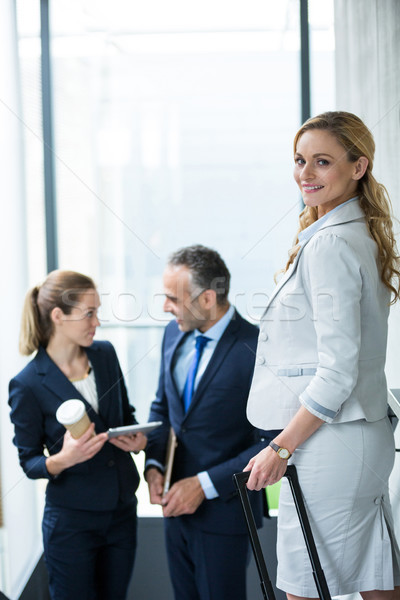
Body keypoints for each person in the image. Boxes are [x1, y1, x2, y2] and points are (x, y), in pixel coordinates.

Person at [245, 111, 400, 599]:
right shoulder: (353, 233)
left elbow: (337, 372)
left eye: (322, 162)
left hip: (333, 443)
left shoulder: (330, 242)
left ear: (358, 166)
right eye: (299, 160)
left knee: (303, 587)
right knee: (376, 579)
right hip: (361, 434)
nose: (305, 174)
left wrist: (280, 448)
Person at [144, 245, 278, 600]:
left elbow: (271, 443)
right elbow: (162, 408)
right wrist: (154, 465)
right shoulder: (173, 333)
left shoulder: (257, 349)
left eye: (173, 298)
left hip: (226, 514)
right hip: (175, 510)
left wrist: (203, 485)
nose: (165, 307)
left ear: (207, 299)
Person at [9, 270, 147, 600]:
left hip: (121, 511)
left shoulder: (105, 354)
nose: (96, 322)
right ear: (58, 316)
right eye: (89, 313)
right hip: (72, 522)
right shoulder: (27, 383)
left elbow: (125, 414)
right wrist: (62, 460)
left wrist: (139, 441)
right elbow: (29, 462)